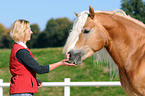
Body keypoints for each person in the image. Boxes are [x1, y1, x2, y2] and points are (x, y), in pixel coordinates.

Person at [9, 19, 76, 96]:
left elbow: (21, 70)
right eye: (29, 30)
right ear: (22, 32)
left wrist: (34, 80)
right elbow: (39, 69)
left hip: (21, 91)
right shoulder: (21, 51)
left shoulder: (19, 48)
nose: (31, 32)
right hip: (22, 92)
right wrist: (61, 63)